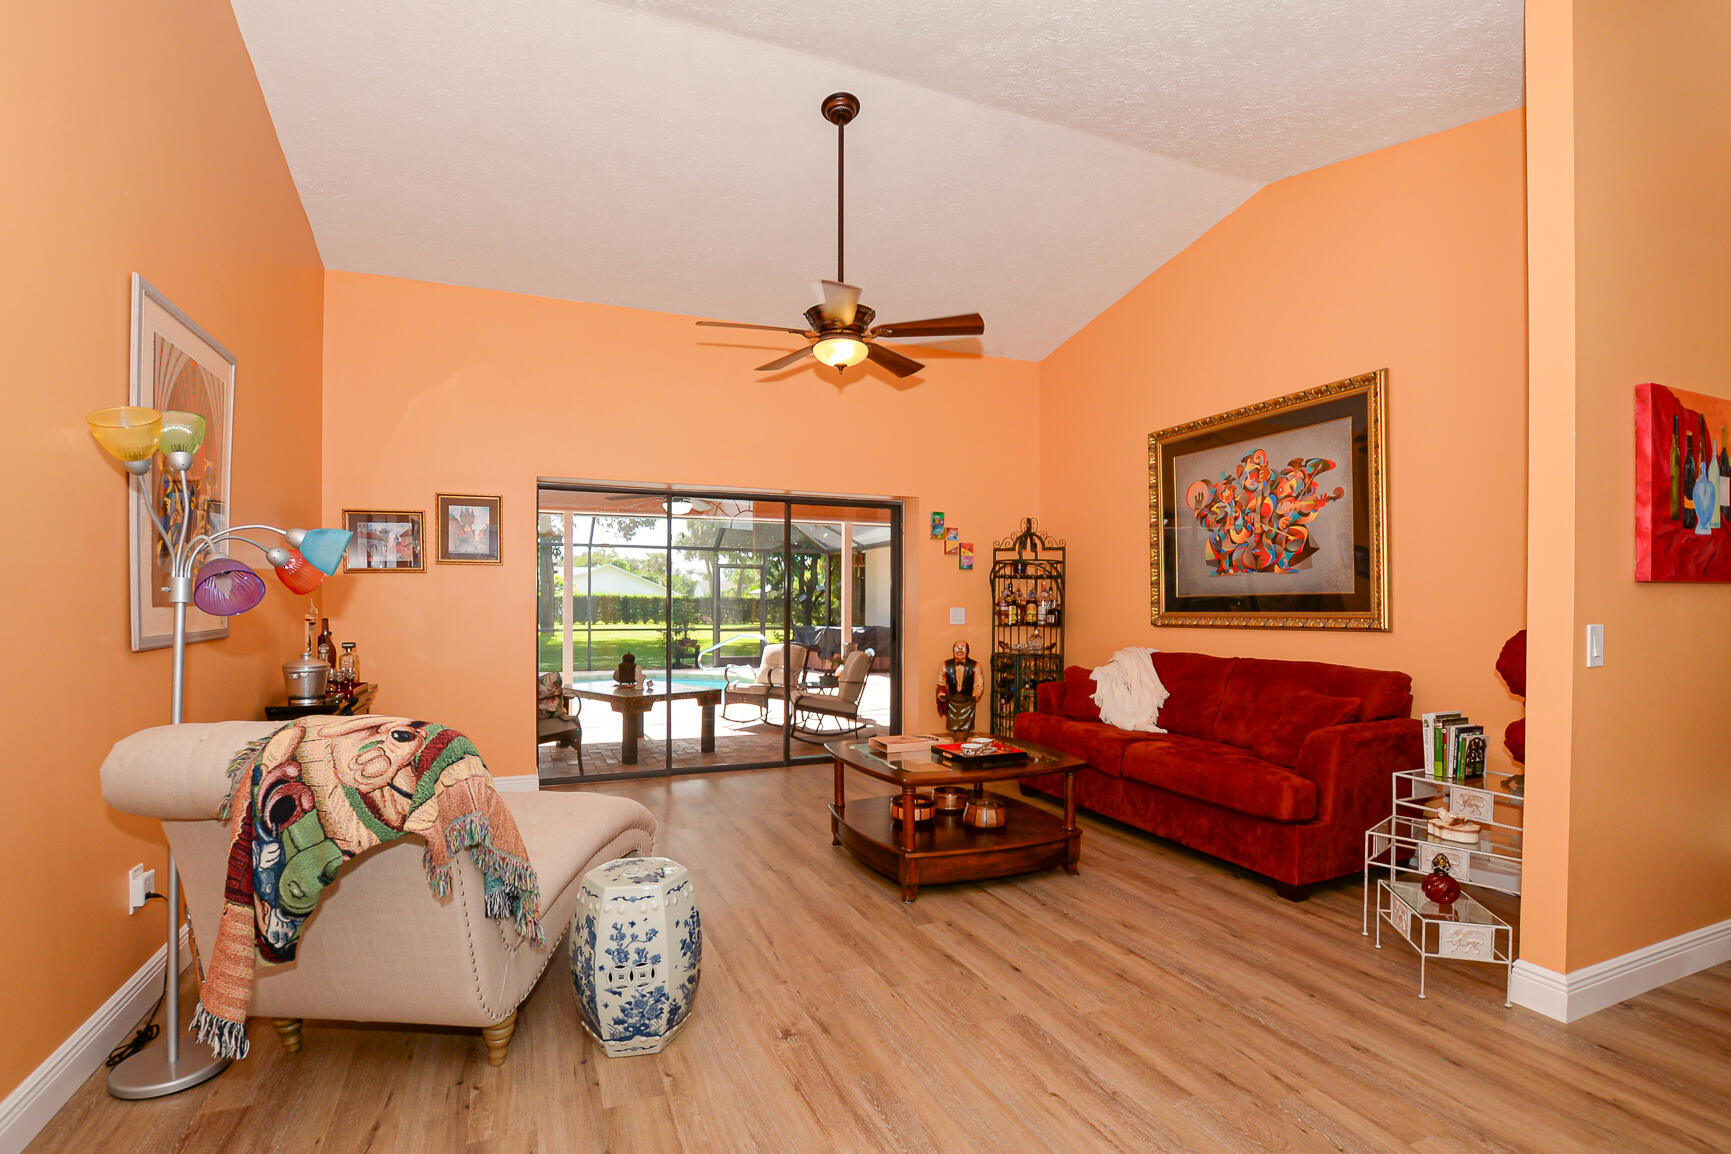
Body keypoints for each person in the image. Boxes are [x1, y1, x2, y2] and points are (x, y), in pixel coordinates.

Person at [936, 640, 980, 738]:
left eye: (963, 647)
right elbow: (940, 681)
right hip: (952, 702)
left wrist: (975, 696)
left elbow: (979, 684)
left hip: (968, 703)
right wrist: (941, 694)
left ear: (967, 650)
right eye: (956, 647)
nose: (959, 650)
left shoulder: (975, 665)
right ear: (953, 650)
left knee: (967, 729)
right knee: (953, 729)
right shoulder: (945, 665)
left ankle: (964, 738)